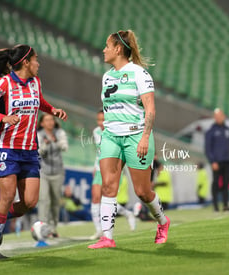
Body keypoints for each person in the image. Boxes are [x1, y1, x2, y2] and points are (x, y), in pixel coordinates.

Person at [0, 44, 67, 260]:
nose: (38, 63)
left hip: (29, 151)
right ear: (25, 62)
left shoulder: (36, 82)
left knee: (29, 202)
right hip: (5, 149)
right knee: (7, 196)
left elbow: (39, 101)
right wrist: (3, 117)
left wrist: (51, 109)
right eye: (36, 59)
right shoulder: (4, 83)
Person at [88, 30, 170, 249]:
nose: (104, 50)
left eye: (107, 45)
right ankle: (107, 237)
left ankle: (162, 221)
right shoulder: (106, 76)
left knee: (142, 191)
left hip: (136, 135)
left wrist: (145, 137)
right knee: (108, 186)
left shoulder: (138, 73)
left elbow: (150, 108)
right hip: (111, 136)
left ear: (118, 49)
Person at [90, 110, 136, 240]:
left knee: (107, 199)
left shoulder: (116, 130)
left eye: (103, 119)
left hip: (113, 169)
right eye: (98, 119)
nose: (100, 122)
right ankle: (99, 230)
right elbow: (99, 152)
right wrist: (95, 167)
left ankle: (127, 214)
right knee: (95, 198)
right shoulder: (96, 132)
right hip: (99, 169)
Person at [37, 113, 68, 237]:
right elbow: (39, 151)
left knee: (55, 201)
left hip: (58, 172)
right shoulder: (39, 135)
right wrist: (45, 146)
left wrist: (54, 142)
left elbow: (65, 147)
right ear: (42, 123)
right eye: (47, 120)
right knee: (44, 200)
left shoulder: (59, 133)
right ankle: (42, 228)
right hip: (43, 172)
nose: (50, 122)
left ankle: (53, 228)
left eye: (51, 120)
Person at [205, 108, 229, 212]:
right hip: (217, 162)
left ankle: (225, 204)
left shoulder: (228, 130)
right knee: (215, 183)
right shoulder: (211, 131)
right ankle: (215, 205)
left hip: (227, 160)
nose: (220, 118)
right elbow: (208, 148)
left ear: (223, 116)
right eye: (217, 116)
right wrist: (212, 161)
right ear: (215, 118)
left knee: (226, 182)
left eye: (221, 116)